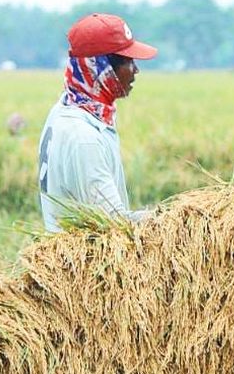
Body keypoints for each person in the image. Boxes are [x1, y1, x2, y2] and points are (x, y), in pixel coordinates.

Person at [37, 12, 157, 231]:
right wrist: (171, 219)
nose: (136, 70)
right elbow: (115, 226)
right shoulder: (84, 137)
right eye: (128, 61)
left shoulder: (66, 108)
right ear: (100, 66)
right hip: (86, 262)